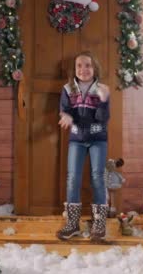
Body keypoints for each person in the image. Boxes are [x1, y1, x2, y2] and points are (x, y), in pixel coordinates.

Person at [55, 51, 111, 242]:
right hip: (77, 139)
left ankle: (99, 224)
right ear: (74, 69)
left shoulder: (102, 89)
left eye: (87, 65)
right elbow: (64, 110)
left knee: (97, 177)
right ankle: (72, 224)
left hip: (98, 139)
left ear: (94, 68)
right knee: (72, 178)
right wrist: (67, 116)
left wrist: (103, 101)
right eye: (79, 65)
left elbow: (103, 118)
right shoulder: (67, 89)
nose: (83, 69)